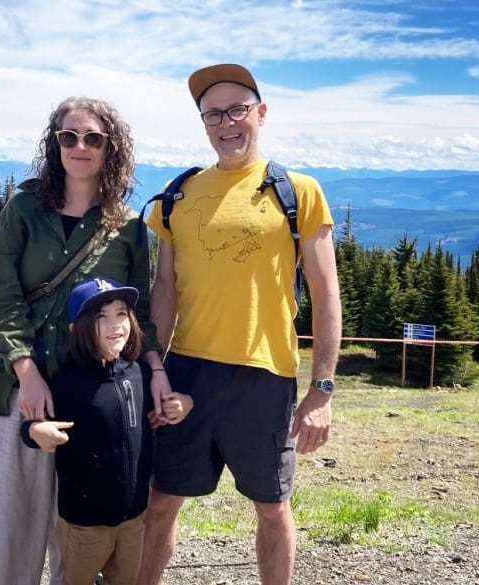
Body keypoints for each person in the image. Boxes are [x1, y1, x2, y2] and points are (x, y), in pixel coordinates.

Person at [136, 64, 342, 585]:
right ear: (203, 123)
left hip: (264, 376)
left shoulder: (298, 191)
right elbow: (165, 289)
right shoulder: (177, 193)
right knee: (161, 502)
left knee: (272, 508)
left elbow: (325, 294)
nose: (226, 123)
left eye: (237, 109)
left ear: (261, 113)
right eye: (213, 114)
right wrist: (154, 365)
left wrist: (321, 390)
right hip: (186, 374)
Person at [0, 97, 171, 585]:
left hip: (94, 391)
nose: (80, 146)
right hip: (19, 388)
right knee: (9, 528)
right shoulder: (22, 209)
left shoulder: (125, 224)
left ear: (110, 148)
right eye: (69, 137)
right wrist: (27, 370)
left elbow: (138, 310)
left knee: (82, 530)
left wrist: (156, 372)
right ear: (54, 143)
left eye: (94, 138)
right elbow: (2, 298)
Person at [19, 276, 193, 585]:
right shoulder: (67, 384)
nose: (115, 324)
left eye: (121, 313)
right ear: (76, 328)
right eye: (101, 316)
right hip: (84, 526)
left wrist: (185, 404)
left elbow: (170, 407)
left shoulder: (140, 372)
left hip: (134, 520)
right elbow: (30, 428)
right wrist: (36, 431)